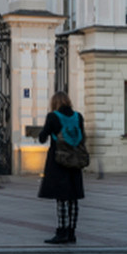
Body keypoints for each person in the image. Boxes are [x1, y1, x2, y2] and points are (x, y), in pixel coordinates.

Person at [38, 91, 84, 244]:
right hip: (75, 160)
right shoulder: (78, 116)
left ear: (54, 103)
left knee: (61, 198)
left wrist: (43, 133)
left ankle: (61, 232)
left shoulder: (53, 116)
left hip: (59, 160)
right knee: (73, 198)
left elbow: (43, 137)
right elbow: (82, 137)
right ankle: (72, 233)